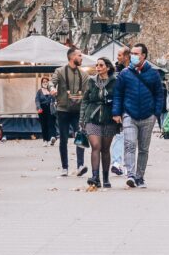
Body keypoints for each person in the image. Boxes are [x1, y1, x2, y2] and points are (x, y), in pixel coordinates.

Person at [112, 42, 164, 189]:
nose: (133, 56)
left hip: (148, 116)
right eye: (132, 54)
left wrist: (156, 114)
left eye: (136, 54)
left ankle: (140, 177)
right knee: (129, 145)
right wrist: (116, 112)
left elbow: (159, 95)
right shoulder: (124, 73)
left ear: (143, 56)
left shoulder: (153, 74)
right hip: (129, 114)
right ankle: (131, 175)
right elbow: (118, 94)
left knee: (143, 148)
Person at [79, 56, 118, 188]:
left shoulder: (115, 81)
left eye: (101, 65)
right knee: (96, 146)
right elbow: (85, 100)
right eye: (97, 65)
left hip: (109, 118)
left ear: (107, 67)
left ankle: (106, 178)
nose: (98, 67)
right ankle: (95, 177)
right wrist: (82, 118)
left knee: (105, 149)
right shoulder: (91, 81)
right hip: (92, 117)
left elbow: (119, 99)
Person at [51, 46, 88, 177]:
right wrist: (52, 89)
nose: (81, 58)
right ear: (72, 57)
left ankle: (80, 166)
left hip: (78, 111)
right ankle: (64, 167)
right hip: (63, 110)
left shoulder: (84, 74)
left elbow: (86, 93)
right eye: (79, 55)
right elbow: (52, 82)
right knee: (64, 139)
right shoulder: (60, 71)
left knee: (80, 137)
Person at [110, 47, 131, 175]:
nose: (117, 57)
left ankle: (120, 163)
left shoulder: (135, 70)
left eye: (119, 55)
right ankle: (117, 163)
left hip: (132, 107)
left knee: (124, 137)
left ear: (126, 56)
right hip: (122, 108)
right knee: (121, 135)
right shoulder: (116, 71)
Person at [35, 78, 56, 145]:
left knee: (51, 123)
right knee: (44, 125)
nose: (45, 83)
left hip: (50, 108)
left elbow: (55, 98)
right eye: (43, 82)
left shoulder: (52, 90)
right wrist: (39, 107)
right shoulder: (39, 91)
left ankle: (52, 137)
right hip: (42, 109)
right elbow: (37, 100)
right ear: (41, 83)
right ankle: (45, 140)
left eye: (46, 81)